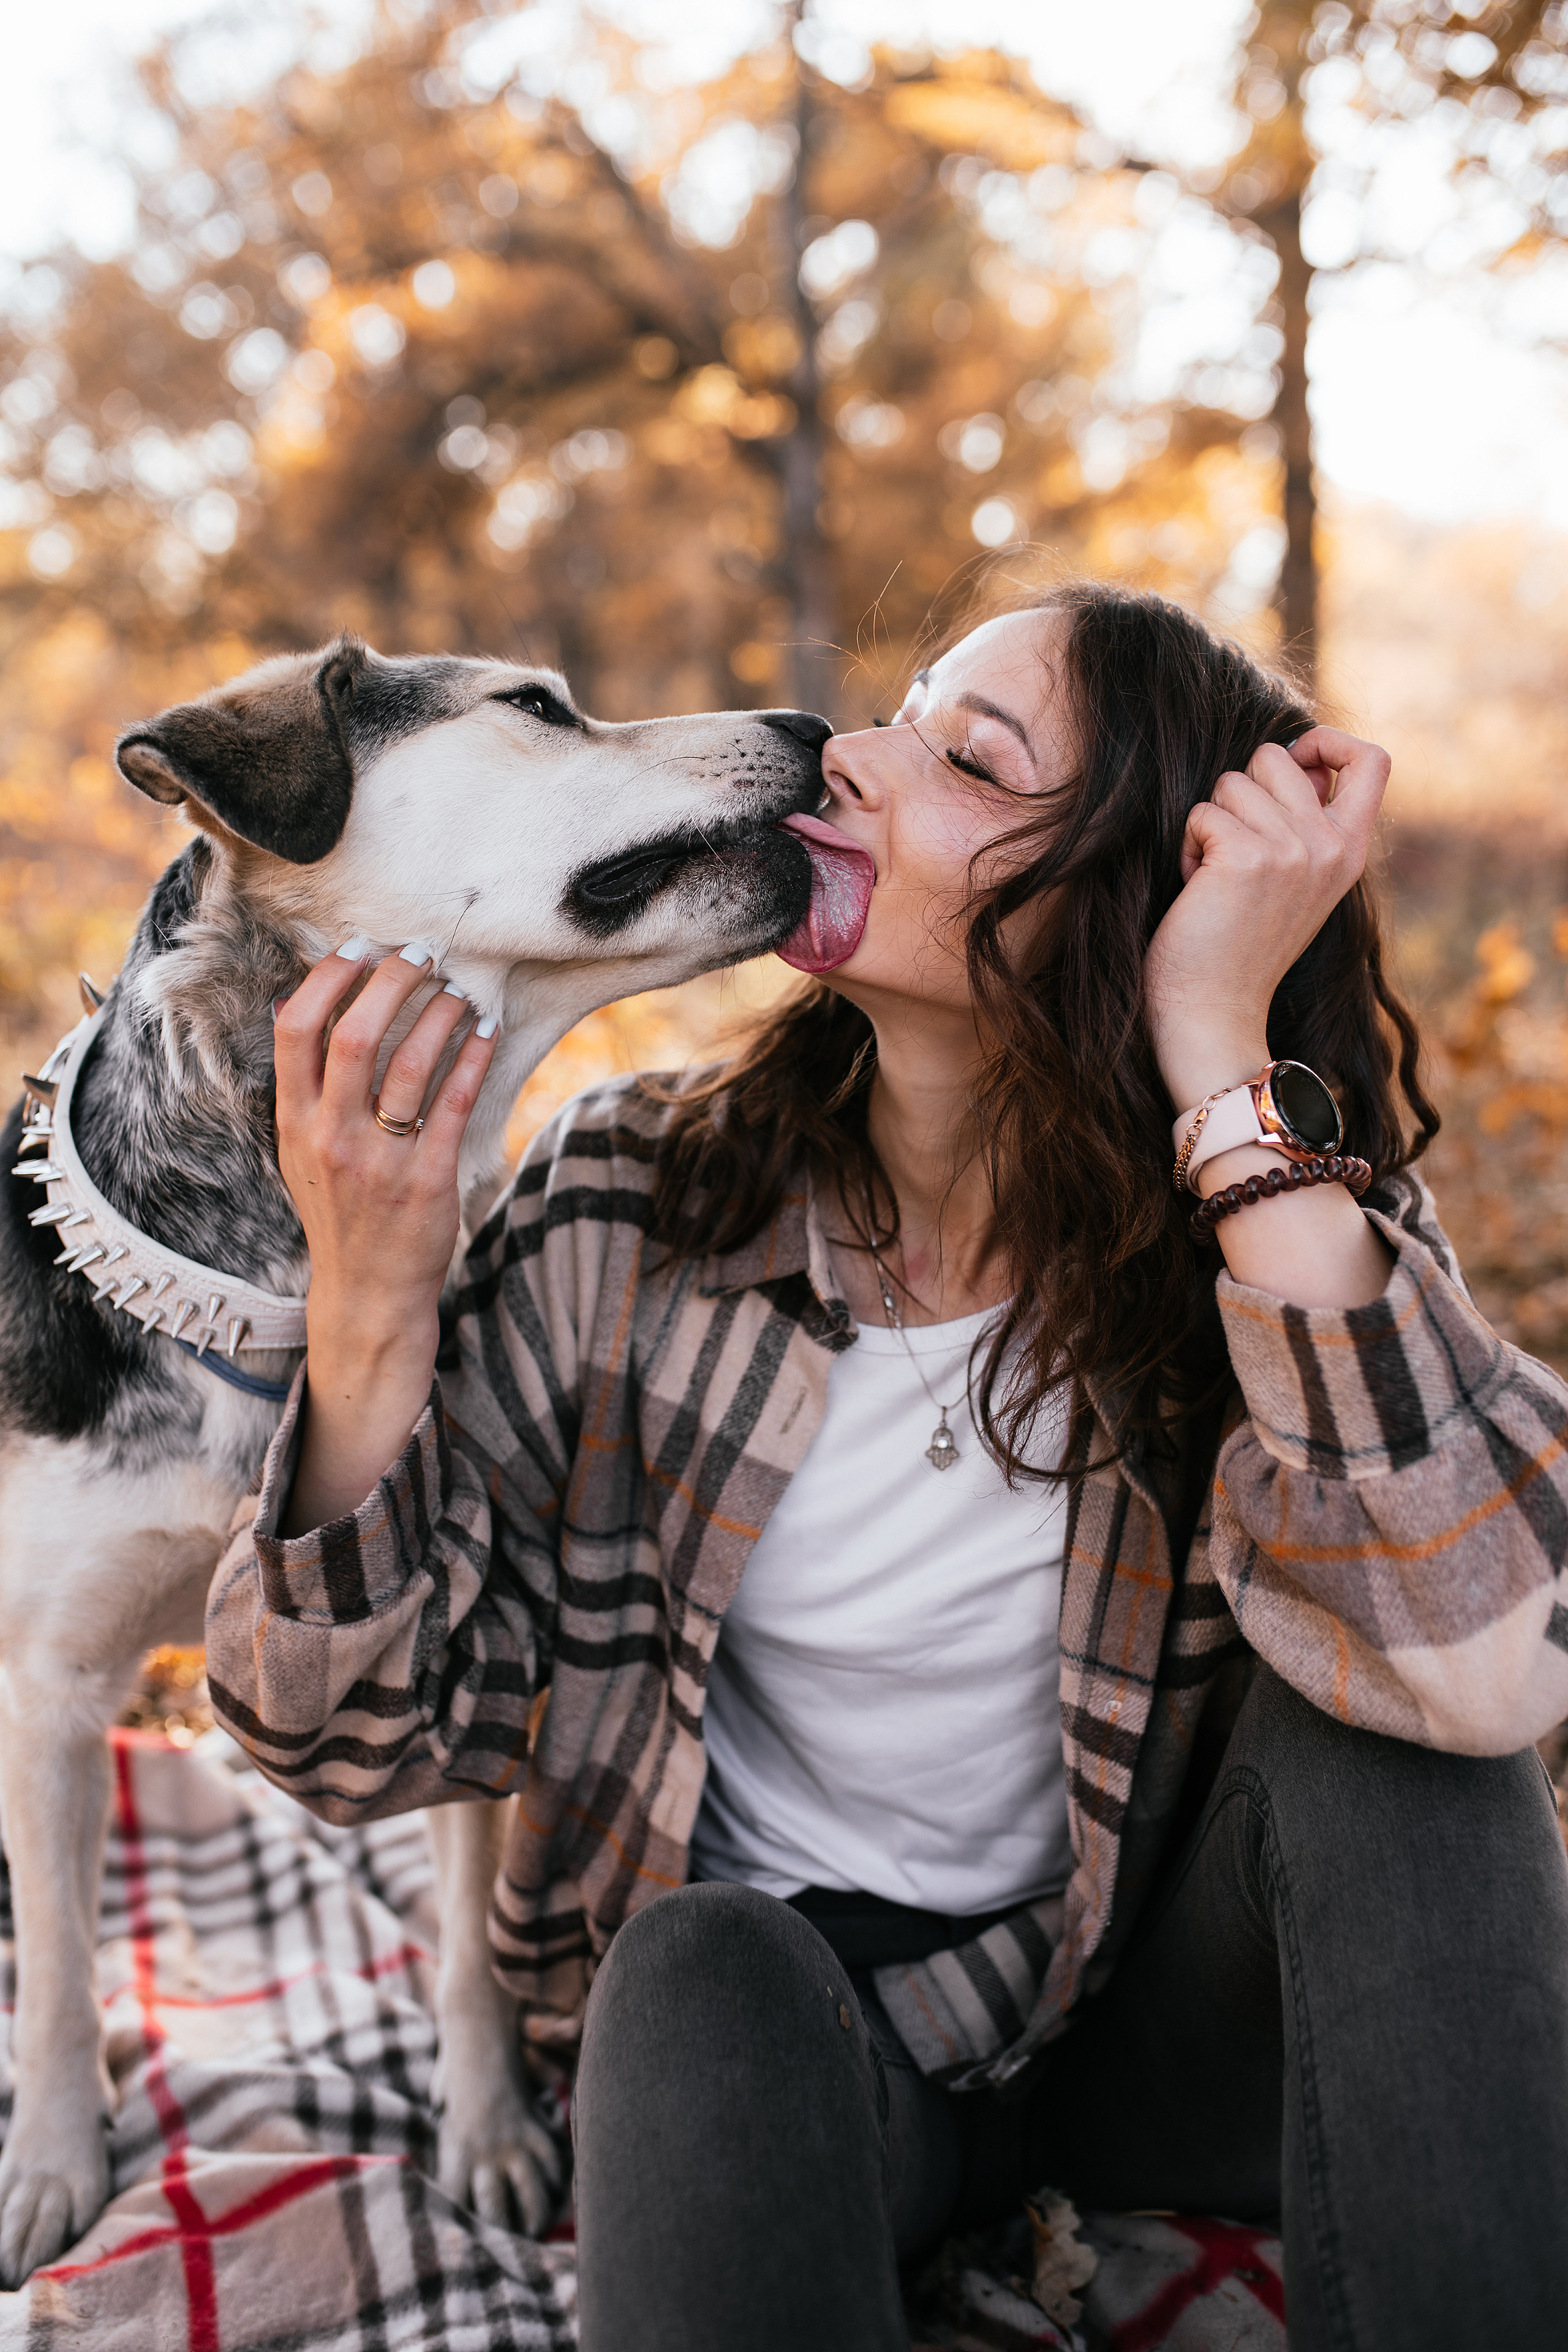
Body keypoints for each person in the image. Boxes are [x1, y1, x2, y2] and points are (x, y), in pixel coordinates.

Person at [207, 579, 1568, 2352]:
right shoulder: (636, 1200)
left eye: (963, 755)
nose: (844, 755)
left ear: (1121, 910)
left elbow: (1494, 1663)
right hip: (807, 2046)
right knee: (687, 1968)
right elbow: (341, 1736)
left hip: (1147, 2024)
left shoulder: (1256, 1235)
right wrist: (373, 1308)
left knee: (1413, 1752)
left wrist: (1222, 1052)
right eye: (898, 708)